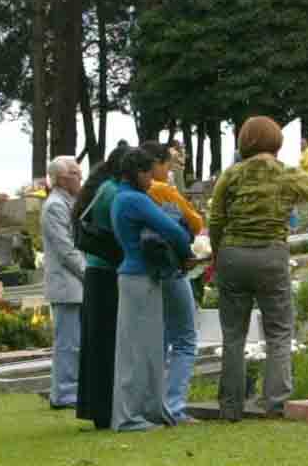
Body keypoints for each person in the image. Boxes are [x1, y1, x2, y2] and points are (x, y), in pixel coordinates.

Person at [208, 116, 308, 420]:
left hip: (233, 254)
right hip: (271, 254)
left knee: (233, 334)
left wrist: (219, 253)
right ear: (276, 141)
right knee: (279, 330)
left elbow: (215, 219)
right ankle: (276, 403)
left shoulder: (232, 174)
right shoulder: (288, 173)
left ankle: (230, 407)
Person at [107, 144, 195, 432]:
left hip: (132, 274)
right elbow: (171, 231)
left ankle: (146, 410)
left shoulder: (120, 197)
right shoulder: (135, 199)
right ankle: (131, 416)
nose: (152, 180)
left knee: (139, 348)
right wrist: (185, 248)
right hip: (141, 276)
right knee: (140, 350)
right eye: (148, 173)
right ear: (138, 172)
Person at [72, 149, 134, 430]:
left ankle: (98, 409)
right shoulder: (113, 191)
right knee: (108, 344)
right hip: (108, 272)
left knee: (96, 344)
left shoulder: (101, 187)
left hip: (96, 272)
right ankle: (108, 408)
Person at [151, 144, 208, 423]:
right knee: (185, 340)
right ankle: (174, 406)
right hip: (172, 268)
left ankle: (156, 402)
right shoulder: (162, 190)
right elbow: (195, 223)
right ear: (157, 164)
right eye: (168, 164)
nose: (171, 169)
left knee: (160, 339)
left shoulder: (135, 192)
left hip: (149, 272)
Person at [39, 155, 85, 409]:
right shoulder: (55, 206)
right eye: (76, 174)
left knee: (75, 341)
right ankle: (64, 393)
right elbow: (66, 249)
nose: (81, 178)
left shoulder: (70, 202)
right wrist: (89, 274)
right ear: (61, 179)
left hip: (74, 284)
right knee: (68, 342)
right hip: (67, 285)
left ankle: (72, 389)